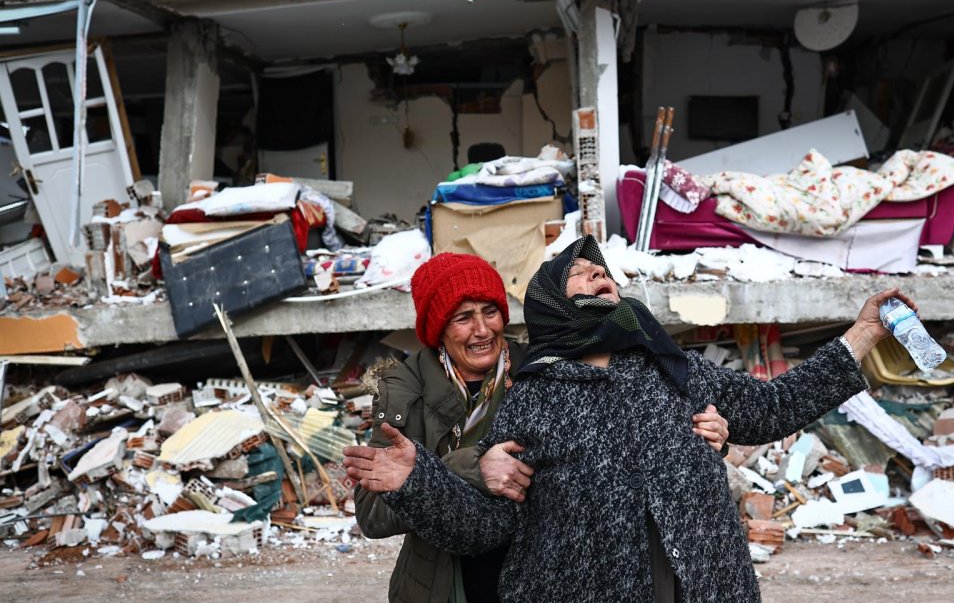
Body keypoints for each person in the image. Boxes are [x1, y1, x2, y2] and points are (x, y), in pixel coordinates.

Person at [345, 236, 907, 602]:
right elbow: (490, 527)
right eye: (582, 273)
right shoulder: (533, 396)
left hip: (704, 585)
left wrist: (863, 335)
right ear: (552, 301)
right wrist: (419, 482)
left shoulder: (676, 369)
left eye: (604, 272)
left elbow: (775, 406)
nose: (600, 276)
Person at [354, 251, 730, 603]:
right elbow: (372, 514)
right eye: (463, 318)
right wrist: (469, 466)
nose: (482, 329)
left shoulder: (541, 367)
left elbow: (625, 426)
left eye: (490, 312)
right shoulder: (404, 391)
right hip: (445, 582)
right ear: (438, 328)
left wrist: (699, 435)